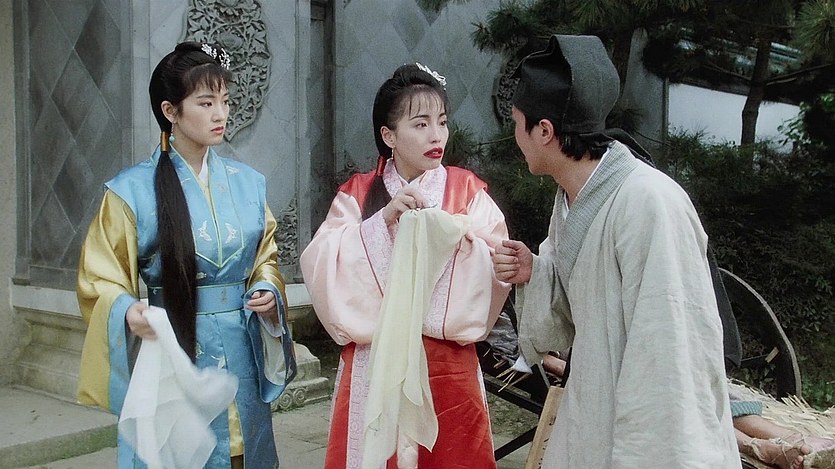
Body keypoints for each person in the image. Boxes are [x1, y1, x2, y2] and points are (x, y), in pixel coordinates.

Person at [491, 34, 740, 468]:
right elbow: (577, 304)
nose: (515, 136)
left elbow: (669, 348)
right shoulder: (572, 198)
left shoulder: (650, 201)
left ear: (544, 131)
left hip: (647, 419)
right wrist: (538, 271)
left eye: (517, 123)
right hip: (591, 400)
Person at [76, 41, 296, 469]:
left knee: (243, 452)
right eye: (206, 102)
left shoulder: (248, 183)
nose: (220, 114)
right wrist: (127, 310)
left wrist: (268, 291)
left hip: (241, 345)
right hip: (174, 346)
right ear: (170, 111)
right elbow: (99, 277)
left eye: (225, 101)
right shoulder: (131, 191)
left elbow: (265, 257)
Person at [300, 63, 511, 468]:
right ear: (389, 135)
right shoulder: (358, 195)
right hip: (373, 361)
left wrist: (449, 237)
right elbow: (323, 263)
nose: (437, 135)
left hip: (446, 363)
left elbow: (493, 264)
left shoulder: (466, 191)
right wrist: (381, 224)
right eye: (421, 124)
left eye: (442, 122)